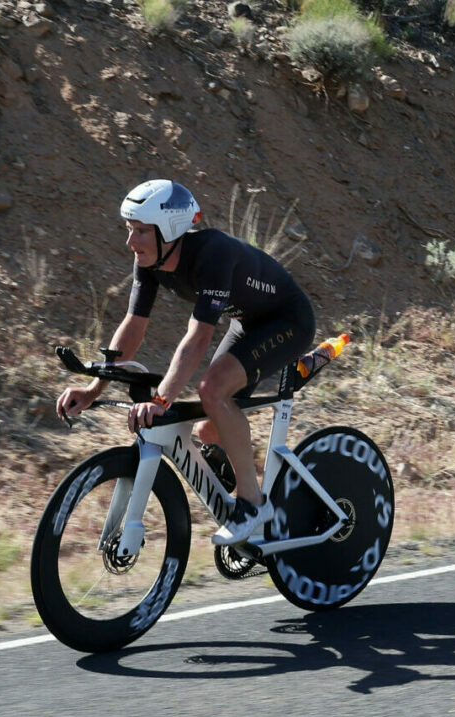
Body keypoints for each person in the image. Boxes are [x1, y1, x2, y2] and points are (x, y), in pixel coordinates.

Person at [56, 179, 315, 545]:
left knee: (212, 389)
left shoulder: (213, 253)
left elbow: (198, 339)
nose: (131, 242)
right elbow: (133, 326)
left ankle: (253, 505)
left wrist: (160, 400)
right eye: (130, 230)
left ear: (170, 230)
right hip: (248, 323)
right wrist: (93, 388)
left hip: (289, 322)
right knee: (209, 432)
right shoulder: (150, 260)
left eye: (141, 231)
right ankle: (256, 511)